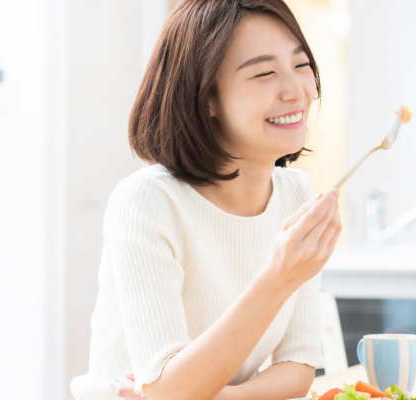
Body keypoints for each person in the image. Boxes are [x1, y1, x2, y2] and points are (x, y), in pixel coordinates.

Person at [69, 0, 342, 399]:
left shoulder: (297, 194)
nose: (296, 90)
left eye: (301, 65)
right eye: (264, 73)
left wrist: (213, 396)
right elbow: (166, 388)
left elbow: (298, 369)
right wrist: (277, 279)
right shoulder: (147, 202)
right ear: (206, 98)